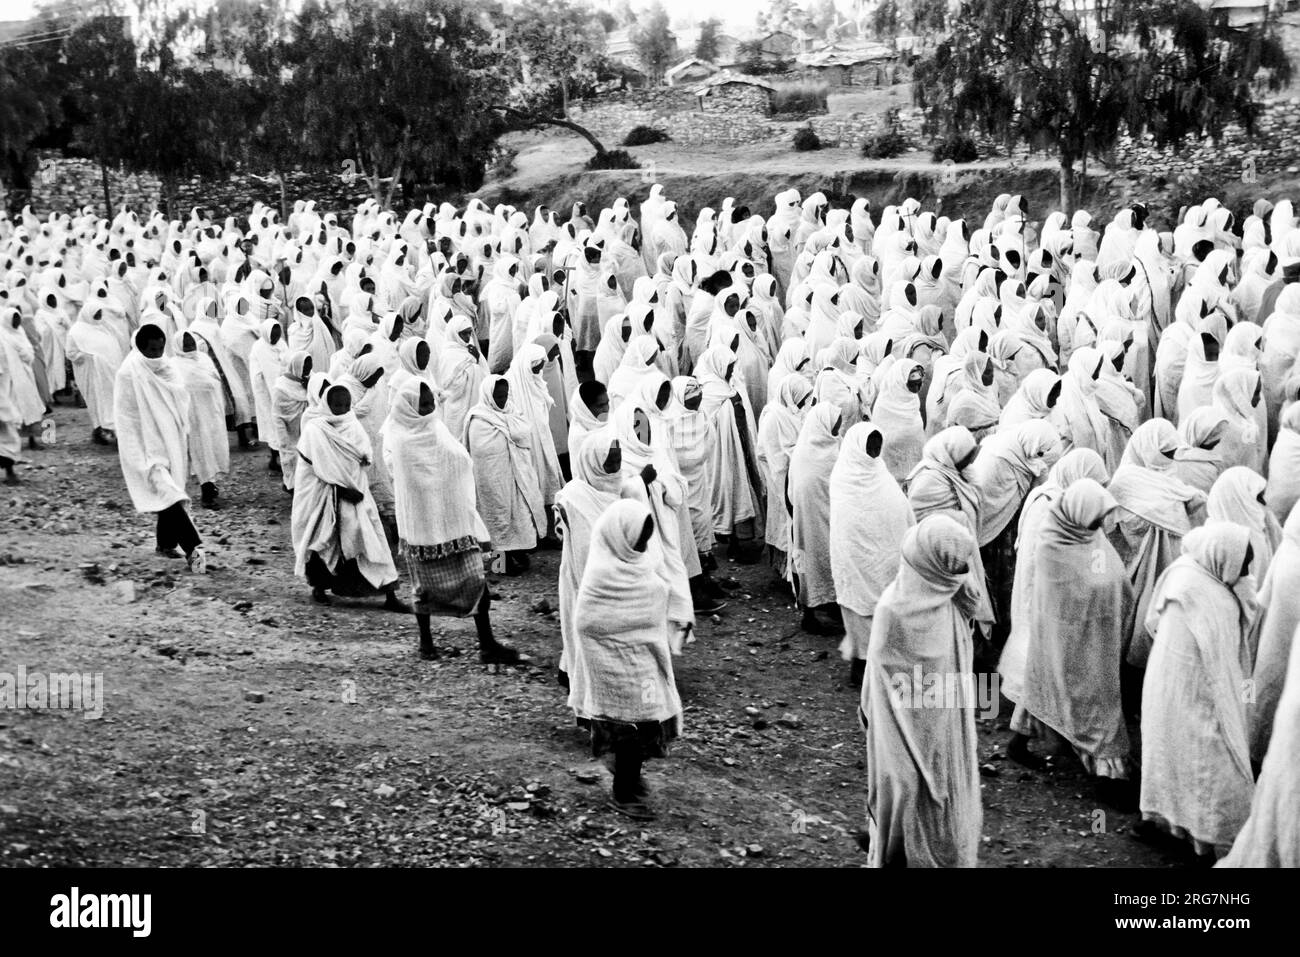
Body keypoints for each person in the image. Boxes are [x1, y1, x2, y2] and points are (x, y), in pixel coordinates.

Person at [860, 513, 982, 868]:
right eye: (953, 566)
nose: (961, 574)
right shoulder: (892, 611)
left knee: (943, 802)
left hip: (945, 730)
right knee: (905, 794)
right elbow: (879, 683)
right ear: (932, 565)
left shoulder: (952, 604)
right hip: (900, 732)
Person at [1139, 522, 1258, 862]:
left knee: (1182, 758)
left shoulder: (1199, 575)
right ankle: (1200, 837)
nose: (1247, 572)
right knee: (1206, 760)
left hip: (1180, 688)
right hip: (1189, 689)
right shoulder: (1196, 589)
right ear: (1221, 558)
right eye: (1243, 565)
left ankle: (1179, 830)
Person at [384, 378, 519, 664]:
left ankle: (487, 643)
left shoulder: (436, 428)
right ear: (408, 406)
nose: (430, 406)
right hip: (423, 528)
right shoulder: (401, 440)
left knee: (476, 579)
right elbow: (413, 482)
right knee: (423, 589)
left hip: (454, 521)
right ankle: (426, 643)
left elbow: (458, 461)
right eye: (423, 403)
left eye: (431, 401)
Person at [1018, 479, 1135, 806]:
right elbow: (1069, 595)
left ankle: (1022, 740)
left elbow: (1112, 579)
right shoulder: (1054, 545)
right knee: (1091, 702)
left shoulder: (1088, 536)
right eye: (1096, 517)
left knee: (1054, 688)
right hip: (1065, 640)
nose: (1101, 525)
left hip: (1094, 639)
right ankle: (1106, 774)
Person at [574, 499, 683, 822]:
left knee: (647, 720)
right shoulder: (602, 573)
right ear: (619, 536)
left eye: (645, 538)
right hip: (610, 666)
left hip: (644, 658)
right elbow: (587, 623)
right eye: (637, 537)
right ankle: (623, 791)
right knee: (627, 728)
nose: (642, 544)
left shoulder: (641, 563)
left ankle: (631, 778)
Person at [291, 381, 408, 610]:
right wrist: (341, 488)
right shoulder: (316, 430)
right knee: (323, 540)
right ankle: (320, 587)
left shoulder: (353, 424)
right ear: (327, 404)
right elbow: (314, 468)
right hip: (325, 496)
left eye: (346, 404)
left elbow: (364, 455)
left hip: (358, 492)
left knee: (372, 538)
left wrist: (358, 475)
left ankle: (389, 594)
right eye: (337, 404)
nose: (343, 409)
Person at [112, 324, 205, 573]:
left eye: (160, 348)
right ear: (140, 348)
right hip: (144, 448)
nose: (156, 354)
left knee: (170, 490)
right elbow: (127, 418)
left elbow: (179, 400)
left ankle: (165, 544)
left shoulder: (167, 366)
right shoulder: (128, 374)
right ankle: (194, 550)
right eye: (151, 349)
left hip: (170, 441)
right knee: (169, 493)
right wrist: (135, 455)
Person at [831, 422, 915, 686]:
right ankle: (861, 664)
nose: (875, 451)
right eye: (870, 445)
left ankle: (880, 663)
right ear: (858, 447)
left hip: (884, 560)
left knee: (884, 610)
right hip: (855, 559)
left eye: (878, 445)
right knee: (859, 611)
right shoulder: (843, 478)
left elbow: (901, 512)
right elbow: (844, 523)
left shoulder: (880, 473)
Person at [555, 431, 624, 691]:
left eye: (618, 459)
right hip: (582, 577)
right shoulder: (574, 498)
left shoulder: (622, 488)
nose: (615, 466)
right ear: (594, 461)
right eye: (610, 460)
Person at [464, 375, 544, 574]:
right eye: (498, 396)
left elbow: (524, 434)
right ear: (488, 395)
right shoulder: (479, 420)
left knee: (520, 515)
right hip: (493, 480)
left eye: (504, 395)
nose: (502, 400)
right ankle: (499, 566)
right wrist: (510, 437)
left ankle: (517, 552)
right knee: (498, 520)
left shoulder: (511, 410)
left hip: (517, 475)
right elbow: (482, 453)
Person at [789, 403, 844, 635]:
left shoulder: (834, 446)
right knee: (810, 563)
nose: (839, 428)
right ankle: (809, 614)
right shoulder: (806, 454)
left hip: (830, 519)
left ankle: (831, 605)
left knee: (829, 561)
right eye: (835, 423)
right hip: (808, 524)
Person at [174, 331, 230, 507]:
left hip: (212, 411)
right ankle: (206, 490)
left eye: (191, 342)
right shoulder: (175, 364)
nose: (190, 346)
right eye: (186, 344)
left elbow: (214, 380)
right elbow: (184, 385)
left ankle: (211, 485)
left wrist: (208, 383)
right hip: (194, 415)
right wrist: (206, 382)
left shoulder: (204, 359)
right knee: (201, 450)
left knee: (214, 447)